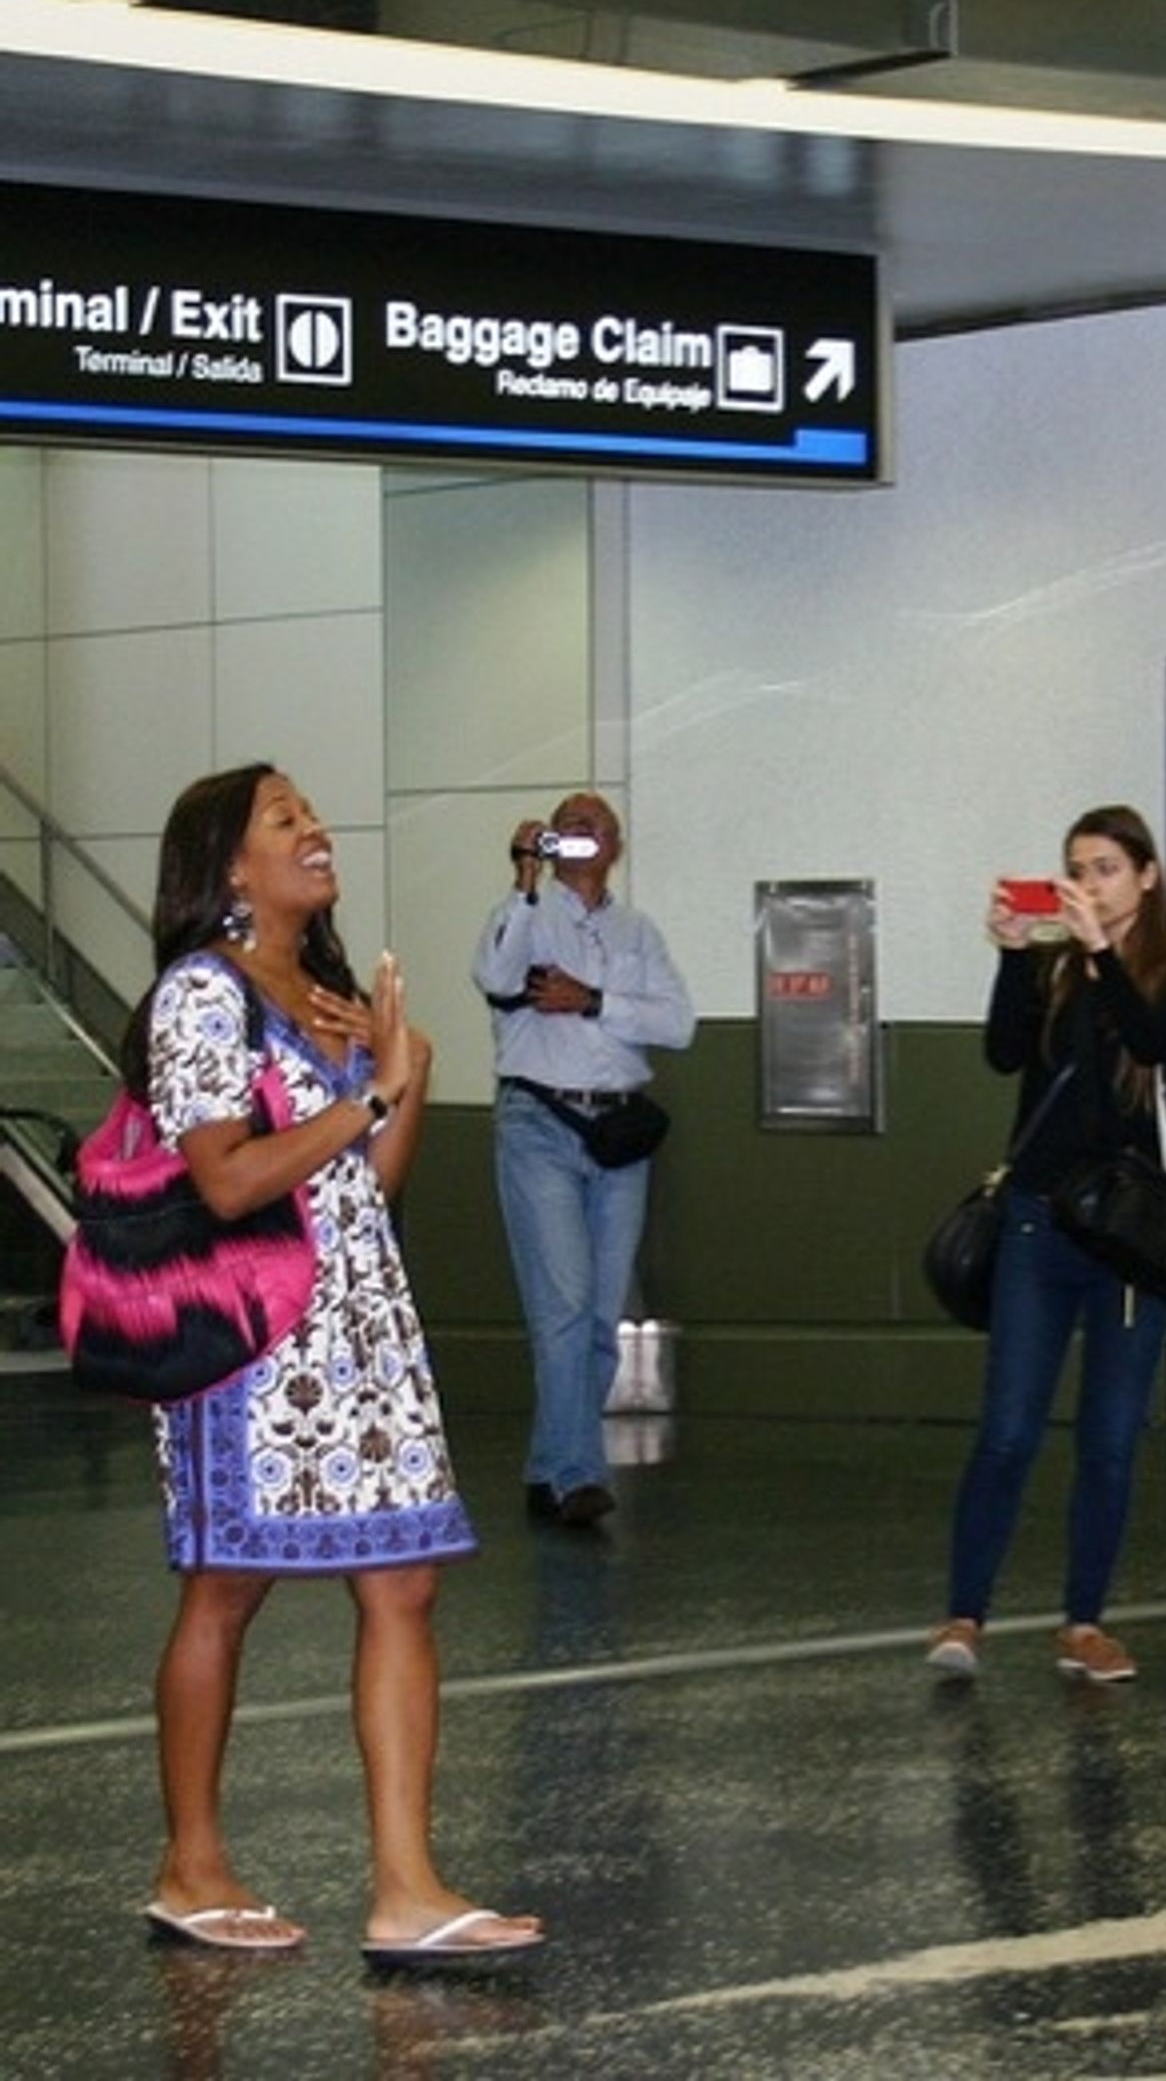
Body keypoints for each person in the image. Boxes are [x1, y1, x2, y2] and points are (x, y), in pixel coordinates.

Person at [132, 762, 543, 1962]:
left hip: (362, 1325)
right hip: (251, 1339)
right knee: (225, 1584)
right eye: (283, 818)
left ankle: (405, 1886)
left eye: (309, 812)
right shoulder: (201, 997)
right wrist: (362, 1103)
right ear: (228, 870)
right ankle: (188, 1860)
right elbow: (224, 1177)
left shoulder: (320, 992)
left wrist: (398, 1068)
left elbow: (373, 1182)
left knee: (405, 1580)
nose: (313, 830)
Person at [928, 805, 1166, 1685]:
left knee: (1110, 1440)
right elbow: (1002, 1053)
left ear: (1147, 878)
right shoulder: (1057, 969)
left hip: (1131, 1237)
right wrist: (1016, 953)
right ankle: (964, 1613)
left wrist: (1099, 955)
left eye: (1106, 869)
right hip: (1040, 1222)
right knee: (1009, 1429)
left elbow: (1155, 1038)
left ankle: (1085, 1623)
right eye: (1076, 870)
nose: (1088, 885)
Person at [471, 793, 695, 1527]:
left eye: (592, 823)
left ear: (616, 845)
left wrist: (594, 1000)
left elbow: (678, 1024)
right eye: (565, 824)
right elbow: (497, 978)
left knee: (600, 1317)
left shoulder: (639, 932)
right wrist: (523, 880)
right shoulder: (529, 915)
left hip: (618, 1133)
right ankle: (577, 1474)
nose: (578, 832)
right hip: (540, 1123)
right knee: (562, 1307)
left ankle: (548, 1465)